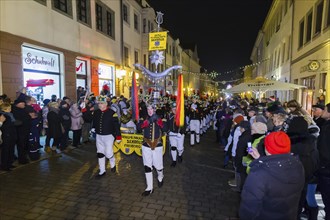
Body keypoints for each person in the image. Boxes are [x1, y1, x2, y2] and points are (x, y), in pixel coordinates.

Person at [239, 131, 305, 220]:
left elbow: (249, 208)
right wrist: (259, 159)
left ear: (267, 148)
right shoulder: (297, 165)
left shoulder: (259, 174)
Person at [137, 103, 167, 196]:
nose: (150, 111)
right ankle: (149, 188)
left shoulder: (160, 118)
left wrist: (159, 121)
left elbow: (166, 128)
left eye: (151, 109)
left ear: (155, 109)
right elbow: (138, 128)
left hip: (157, 145)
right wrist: (148, 121)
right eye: (148, 109)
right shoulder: (144, 118)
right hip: (146, 145)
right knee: (147, 166)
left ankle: (160, 176)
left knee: (158, 166)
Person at [91, 95, 121, 178]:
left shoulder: (112, 113)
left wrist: (118, 136)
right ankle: (102, 171)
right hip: (99, 135)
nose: (100, 105)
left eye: (101, 103)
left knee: (108, 153)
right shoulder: (96, 112)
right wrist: (93, 128)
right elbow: (95, 121)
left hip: (109, 135)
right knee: (100, 153)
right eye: (99, 103)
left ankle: (112, 162)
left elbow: (116, 126)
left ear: (106, 104)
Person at [317, 103, 330, 220]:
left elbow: (324, 149)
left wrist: (322, 165)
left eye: (325, 110)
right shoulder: (325, 125)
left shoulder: (327, 128)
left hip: (326, 169)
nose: (322, 112)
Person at [167, 102, 186, 167]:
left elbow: (184, 125)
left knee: (180, 148)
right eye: (173, 109)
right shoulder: (170, 116)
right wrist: (167, 131)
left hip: (179, 134)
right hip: (172, 134)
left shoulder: (181, 116)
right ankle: (174, 160)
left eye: (176, 109)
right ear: (171, 109)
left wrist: (181, 133)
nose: (174, 110)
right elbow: (167, 124)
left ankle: (180, 155)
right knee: (173, 147)